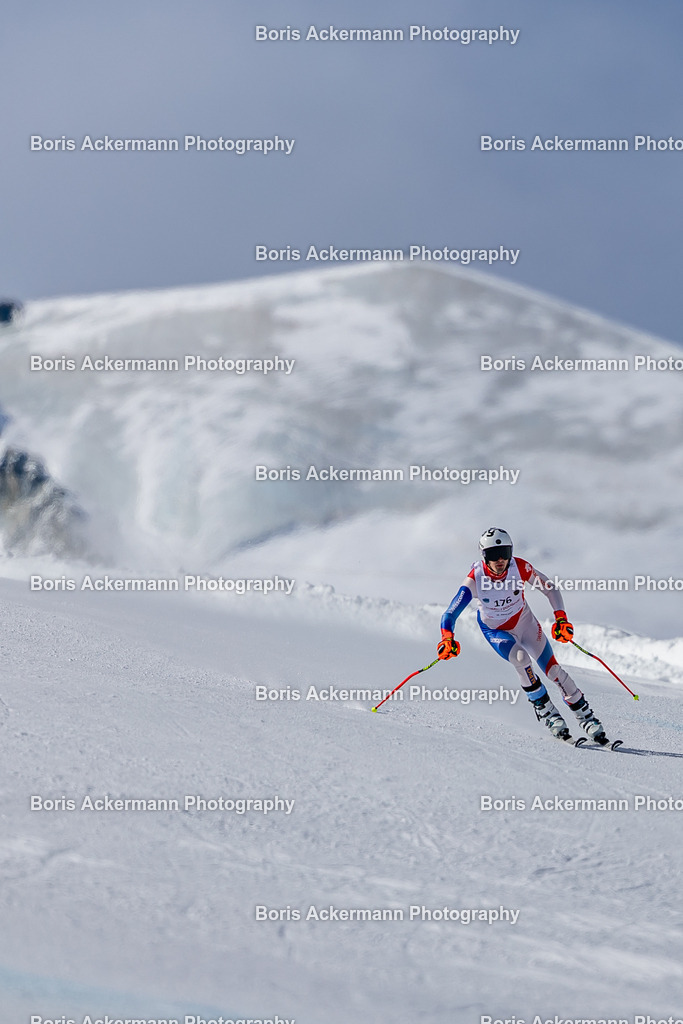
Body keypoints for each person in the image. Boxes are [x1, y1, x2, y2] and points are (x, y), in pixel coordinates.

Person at [437, 527, 607, 743]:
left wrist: (561, 619)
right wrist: (447, 638)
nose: (500, 560)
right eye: (492, 555)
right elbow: (450, 613)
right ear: (483, 556)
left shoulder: (520, 567)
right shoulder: (475, 579)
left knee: (553, 670)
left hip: (524, 622)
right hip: (496, 631)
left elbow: (550, 589)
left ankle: (586, 717)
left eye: (505, 553)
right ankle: (546, 711)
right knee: (521, 659)